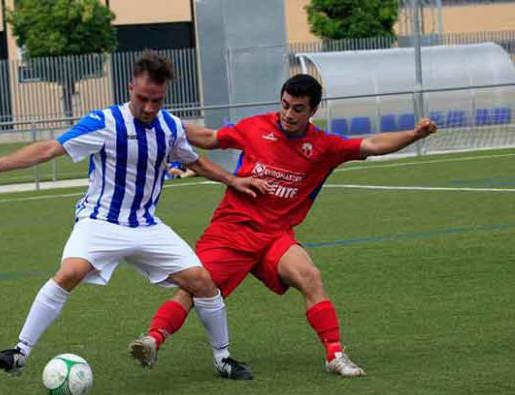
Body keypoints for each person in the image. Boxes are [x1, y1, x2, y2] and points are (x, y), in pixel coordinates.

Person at [0, 51, 268, 380]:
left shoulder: (170, 126)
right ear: (129, 88)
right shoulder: (105, 122)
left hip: (147, 226)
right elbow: (51, 148)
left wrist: (232, 179)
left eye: (157, 100)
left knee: (203, 283)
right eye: (143, 99)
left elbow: (192, 160)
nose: (150, 108)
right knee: (70, 272)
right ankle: (20, 352)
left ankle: (223, 359)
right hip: (100, 222)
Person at [129, 73, 437, 377]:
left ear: (313, 110)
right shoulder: (256, 127)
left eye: (298, 108)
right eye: (285, 105)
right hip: (232, 228)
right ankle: (153, 339)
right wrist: (163, 120)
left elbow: (371, 144)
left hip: (274, 236)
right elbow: (210, 137)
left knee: (310, 276)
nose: (288, 114)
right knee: (196, 286)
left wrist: (414, 134)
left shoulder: (323, 145)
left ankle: (334, 354)